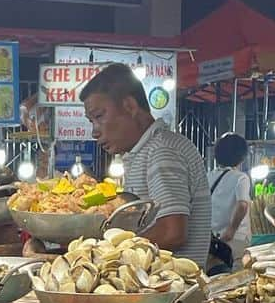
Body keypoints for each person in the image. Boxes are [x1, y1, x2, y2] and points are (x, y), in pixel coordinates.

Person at [80, 62, 211, 264]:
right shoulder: (144, 151)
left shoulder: (162, 151)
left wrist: (107, 254)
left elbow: (172, 232)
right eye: (91, 122)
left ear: (130, 106)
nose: (95, 131)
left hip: (171, 290)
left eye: (99, 116)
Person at [209, 132, 252, 265]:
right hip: (235, 238)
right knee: (234, 278)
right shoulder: (241, 178)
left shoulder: (208, 176)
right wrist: (231, 230)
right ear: (241, 157)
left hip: (214, 239)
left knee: (215, 273)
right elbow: (242, 205)